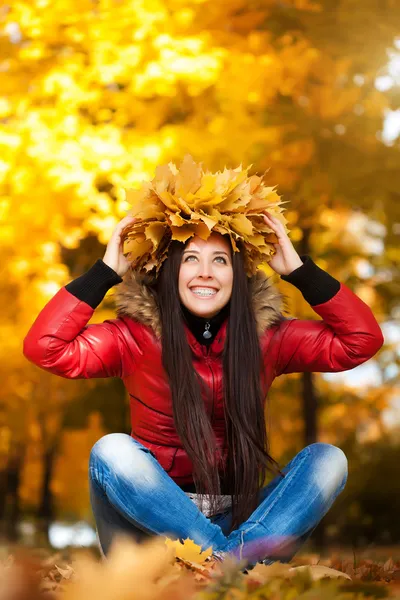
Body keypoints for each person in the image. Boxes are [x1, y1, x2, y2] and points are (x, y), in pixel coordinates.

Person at [23, 159, 384, 573]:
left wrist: (300, 272)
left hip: (241, 518)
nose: (205, 274)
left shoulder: (269, 337)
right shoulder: (132, 336)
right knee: (110, 451)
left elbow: (361, 341)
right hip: (147, 526)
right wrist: (104, 273)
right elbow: (44, 348)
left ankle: (223, 563)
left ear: (237, 274)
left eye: (220, 261)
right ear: (171, 270)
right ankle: (235, 565)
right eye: (191, 259)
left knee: (328, 460)